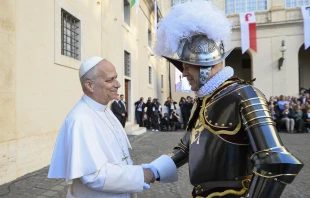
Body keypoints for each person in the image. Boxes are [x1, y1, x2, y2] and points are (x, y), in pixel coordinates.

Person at [145, 2, 303, 198]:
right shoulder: (203, 100)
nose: (184, 71)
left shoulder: (244, 95)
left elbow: (276, 161)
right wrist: (154, 170)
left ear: (206, 65)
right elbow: (186, 147)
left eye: (188, 65)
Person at [48, 57, 156, 198]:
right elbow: (94, 175)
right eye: (110, 80)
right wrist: (140, 175)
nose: (117, 84)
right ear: (90, 85)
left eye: (116, 78)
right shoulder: (81, 119)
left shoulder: (104, 109)